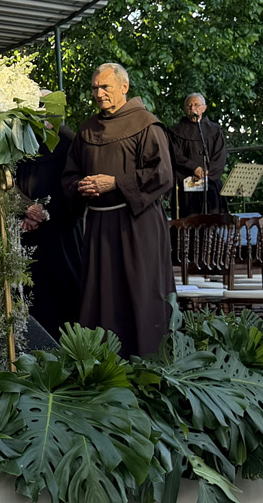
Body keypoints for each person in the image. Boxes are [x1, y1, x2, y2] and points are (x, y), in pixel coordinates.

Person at [61, 63, 174, 357]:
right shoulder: (86, 129)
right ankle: (100, 363)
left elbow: (161, 174)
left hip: (137, 223)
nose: (99, 94)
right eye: (95, 88)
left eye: (105, 87)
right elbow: (69, 175)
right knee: (100, 294)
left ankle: (147, 359)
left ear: (124, 87)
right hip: (99, 225)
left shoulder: (146, 125)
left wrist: (115, 183)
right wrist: (81, 186)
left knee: (140, 290)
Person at [17, 118, 85, 337]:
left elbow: (75, 187)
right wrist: (25, 209)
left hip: (61, 231)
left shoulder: (70, 142)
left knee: (64, 294)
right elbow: (10, 180)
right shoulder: (22, 140)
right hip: (26, 231)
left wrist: (47, 213)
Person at [168, 93, 227, 216]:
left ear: (204, 108)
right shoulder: (175, 131)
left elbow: (220, 155)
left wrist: (206, 172)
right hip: (187, 183)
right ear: (185, 109)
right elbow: (175, 155)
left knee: (213, 224)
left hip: (210, 183)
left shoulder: (215, 130)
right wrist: (194, 169)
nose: (192, 108)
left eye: (196, 105)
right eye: (189, 105)